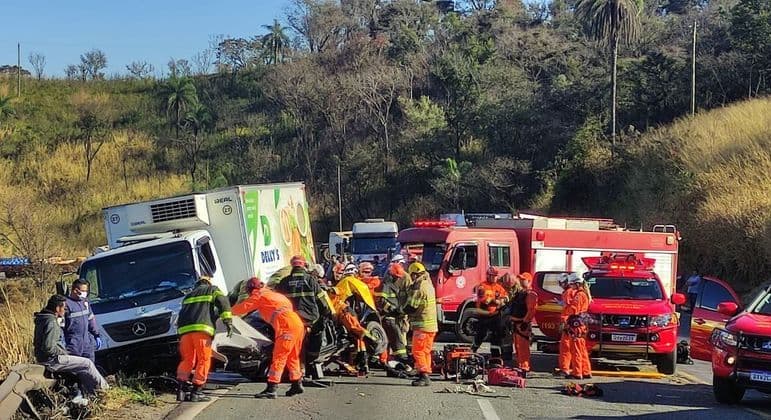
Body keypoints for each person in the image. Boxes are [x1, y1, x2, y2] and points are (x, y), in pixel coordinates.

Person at [232, 278, 306, 399]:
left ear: (251, 289)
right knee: (292, 356)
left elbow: (243, 308)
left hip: (285, 325)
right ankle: (296, 383)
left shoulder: (259, 295)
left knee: (279, 357)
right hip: (297, 324)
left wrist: (225, 312)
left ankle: (271, 388)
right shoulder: (275, 295)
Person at [34, 295, 109, 399]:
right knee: (87, 363)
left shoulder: (42, 318)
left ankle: (91, 394)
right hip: (52, 360)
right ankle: (105, 391)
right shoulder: (51, 322)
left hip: (43, 358)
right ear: (57, 308)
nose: (64, 311)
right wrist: (63, 352)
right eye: (64, 308)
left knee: (82, 367)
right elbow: (48, 347)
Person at [275, 255, 334, 377]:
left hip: (290, 319)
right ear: (304, 266)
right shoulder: (311, 280)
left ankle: (296, 369)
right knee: (313, 339)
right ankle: (308, 365)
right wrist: (327, 313)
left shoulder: (284, 282)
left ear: (292, 265)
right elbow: (322, 301)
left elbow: (276, 300)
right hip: (310, 318)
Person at [176, 275, 233, 402]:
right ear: (208, 283)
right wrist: (228, 321)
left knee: (188, 360)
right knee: (204, 359)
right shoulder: (212, 289)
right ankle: (197, 391)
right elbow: (223, 302)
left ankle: (181, 389)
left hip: (184, 332)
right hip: (201, 330)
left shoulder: (188, 296)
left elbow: (182, 314)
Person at [329, 263, 378, 375]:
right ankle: (362, 363)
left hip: (344, 311)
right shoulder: (355, 282)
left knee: (356, 332)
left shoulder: (346, 281)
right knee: (357, 336)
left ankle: (368, 340)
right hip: (348, 312)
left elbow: (339, 293)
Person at [404, 262, 437, 386]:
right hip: (431, 325)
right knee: (426, 351)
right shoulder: (429, 285)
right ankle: (425, 372)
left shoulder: (419, 287)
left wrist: (400, 311)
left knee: (418, 351)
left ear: (414, 274)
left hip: (422, 325)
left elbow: (412, 307)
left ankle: (423, 375)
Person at [473, 267, 510, 359]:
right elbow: (485, 301)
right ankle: (472, 351)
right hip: (484, 314)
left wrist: (500, 301)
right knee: (481, 334)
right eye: (492, 276)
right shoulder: (482, 286)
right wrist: (496, 300)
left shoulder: (499, 287)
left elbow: (506, 298)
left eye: (495, 276)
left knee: (496, 336)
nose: (494, 278)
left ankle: (495, 356)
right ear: (488, 276)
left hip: (495, 316)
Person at [376, 261, 408, 364]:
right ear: (392, 275)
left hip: (393, 317)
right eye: (397, 276)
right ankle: (403, 359)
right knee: (397, 338)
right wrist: (392, 310)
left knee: (389, 340)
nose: (399, 279)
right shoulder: (386, 284)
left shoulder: (393, 285)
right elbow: (381, 302)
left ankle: (386, 361)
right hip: (388, 317)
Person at [63, 279, 102, 362]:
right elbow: (60, 325)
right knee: (76, 369)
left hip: (87, 343)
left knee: (90, 367)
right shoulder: (66, 305)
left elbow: (91, 319)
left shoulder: (85, 302)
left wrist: (96, 334)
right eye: (83, 291)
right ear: (75, 290)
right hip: (73, 344)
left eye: (86, 291)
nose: (86, 293)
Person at [509, 272, 538, 374]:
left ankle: (524, 367)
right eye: (520, 279)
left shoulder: (530, 294)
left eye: (523, 279)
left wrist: (525, 322)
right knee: (518, 347)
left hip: (522, 324)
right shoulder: (520, 293)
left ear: (529, 281)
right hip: (516, 323)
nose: (520, 281)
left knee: (523, 347)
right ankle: (520, 366)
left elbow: (531, 310)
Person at [566, 274, 592, 380]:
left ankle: (577, 373)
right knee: (582, 350)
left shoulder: (579, 295)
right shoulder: (583, 294)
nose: (570, 286)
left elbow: (574, 309)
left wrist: (565, 307)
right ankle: (586, 371)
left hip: (576, 325)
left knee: (576, 350)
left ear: (577, 284)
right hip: (581, 325)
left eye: (571, 284)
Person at [556, 274, 576, 377]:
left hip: (568, 322)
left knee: (565, 347)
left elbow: (567, 308)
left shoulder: (568, 293)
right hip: (572, 322)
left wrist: (563, 322)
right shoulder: (572, 292)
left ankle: (565, 369)